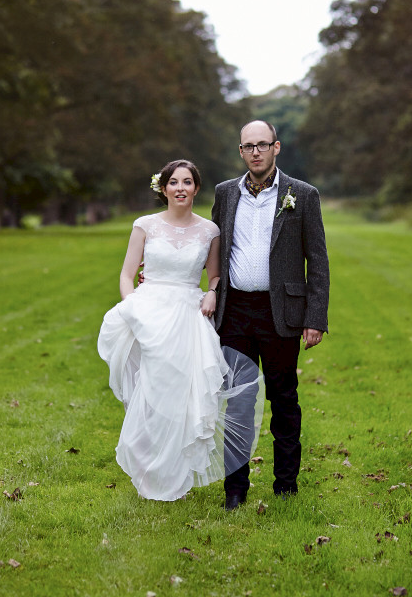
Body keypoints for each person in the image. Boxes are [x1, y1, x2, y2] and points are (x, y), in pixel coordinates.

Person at [98, 159, 263, 501]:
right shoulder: (144, 225)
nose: (181, 188)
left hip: (188, 314)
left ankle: (176, 470)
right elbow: (127, 274)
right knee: (153, 391)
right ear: (163, 188)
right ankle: (149, 467)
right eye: (174, 182)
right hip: (150, 312)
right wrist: (134, 307)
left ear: (196, 188)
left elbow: (215, 274)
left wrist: (212, 293)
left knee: (185, 394)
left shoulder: (209, 231)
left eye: (187, 182)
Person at [212, 120, 330, 511]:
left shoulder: (303, 195)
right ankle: (235, 489)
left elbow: (319, 260)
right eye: (249, 146)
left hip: (282, 313)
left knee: (284, 401)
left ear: (276, 147)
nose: (256, 152)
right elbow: (211, 247)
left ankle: (285, 486)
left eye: (263, 144)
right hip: (236, 314)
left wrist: (315, 316)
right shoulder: (225, 194)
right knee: (239, 403)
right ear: (241, 152)